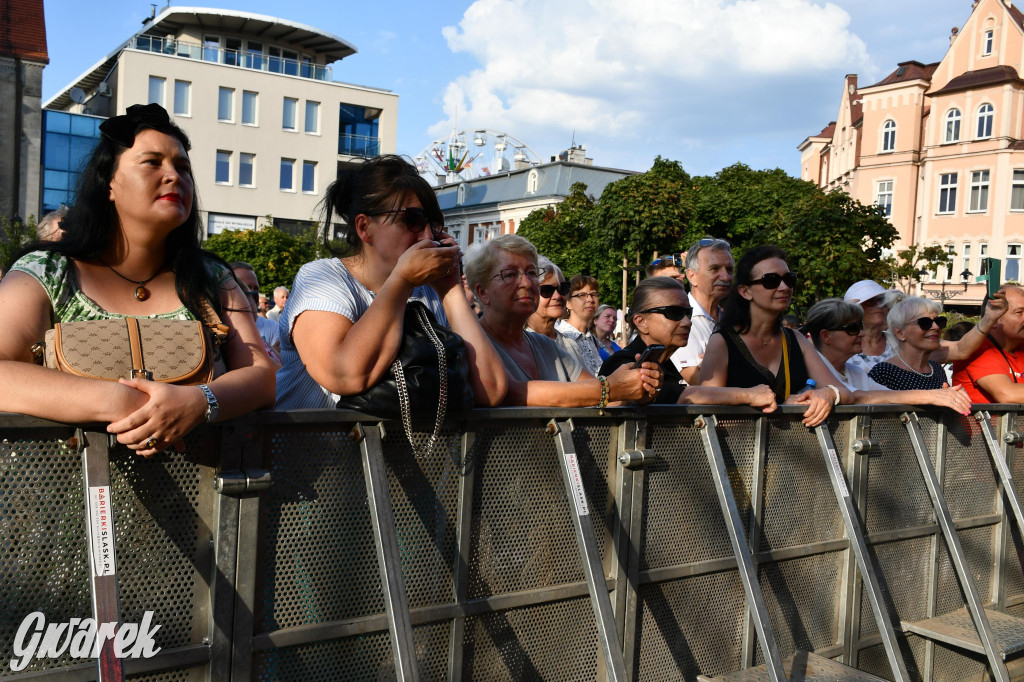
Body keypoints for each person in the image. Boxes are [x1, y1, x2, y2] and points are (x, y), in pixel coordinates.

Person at [0, 103, 276, 456]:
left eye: (183, 167)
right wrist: (120, 400)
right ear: (110, 182)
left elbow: (261, 378)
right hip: (63, 503)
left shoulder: (212, 278)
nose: (174, 175)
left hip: (203, 502)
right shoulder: (47, 272)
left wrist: (198, 402)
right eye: (152, 162)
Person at [275, 154, 506, 410]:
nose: (427, 235)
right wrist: (402, 280)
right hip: (313, 449)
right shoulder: (321, 276)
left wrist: (451, 290)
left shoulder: (429, 291)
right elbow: (344, 374)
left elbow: (491, 390)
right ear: (364, 228)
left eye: (434, 223)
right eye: (413, 219)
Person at [465, 234, 660, 406]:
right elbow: (509, 392)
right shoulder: (470, 345)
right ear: (483, 293)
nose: (526, 283)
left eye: (532, 273)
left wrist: (637, 387)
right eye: (509, 274)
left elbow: (595, 394)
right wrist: (611, 388)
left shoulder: (545, 345)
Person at [700, 245, 851, 427]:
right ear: (745, 291)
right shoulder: (722, 341)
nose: (784, 287)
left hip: (793, 450)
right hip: (739, 449)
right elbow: (706, 402)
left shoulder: (796, 339)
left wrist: (829, 393)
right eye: (771, 280)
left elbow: (845, 392)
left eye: (789, 279)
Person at [600, 277, 777, 410]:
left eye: (688, 313)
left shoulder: (663, 363)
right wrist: (750, 395)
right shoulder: (622, 365)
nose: (687, 322)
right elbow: (684, 396)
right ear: (640, 321)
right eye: (674, 313)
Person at [804, 298, 973, 414]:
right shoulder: (809, 369)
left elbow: (888, 396)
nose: (862, 333)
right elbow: (857, 397)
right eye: (853, 328)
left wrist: (945, 397)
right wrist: (932, 396)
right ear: (826, 336)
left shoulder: (855, 372)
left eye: (861, 326)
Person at [868, 295, 1005, 390]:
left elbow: (961, 349)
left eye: (939, 321)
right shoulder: (883, 371)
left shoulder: (936, 369)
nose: (936, 327)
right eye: (925, 323)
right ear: (900, 333)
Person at [670, 237, 734, 384]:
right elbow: (701, 382)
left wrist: (716, 362)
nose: (726, 276)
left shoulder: (733, 321)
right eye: (714, 269)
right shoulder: (679, 320)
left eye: (729, 269)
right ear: (692, 276)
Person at [951, 288, 1024, 403]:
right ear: (994, 319)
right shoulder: (978, 348)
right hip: (983, 421)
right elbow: (1007, 394)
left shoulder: (1020, 348)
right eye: (1020, 312)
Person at [526, 256, 584, 364]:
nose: (557, 296)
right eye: (547, 290)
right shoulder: (521, 344)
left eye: (562, 288)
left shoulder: (570, 344)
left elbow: (588, 381)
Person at [843, 280, 901, 374]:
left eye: (882, 300)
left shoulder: (900, 342)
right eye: (870, 301)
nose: (879, 305)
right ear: (854, 310)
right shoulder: (840, 345)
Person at [230, 261, 281, 361]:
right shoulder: (219, 330)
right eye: (246, 287)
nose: (253, 293)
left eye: (256, 288)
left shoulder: (273, 327)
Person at [555, 274, 604, 376]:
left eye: (594, 294)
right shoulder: (560, 336)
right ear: (568, 303)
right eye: (581, 295)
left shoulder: (593, 340)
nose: (590, 300)